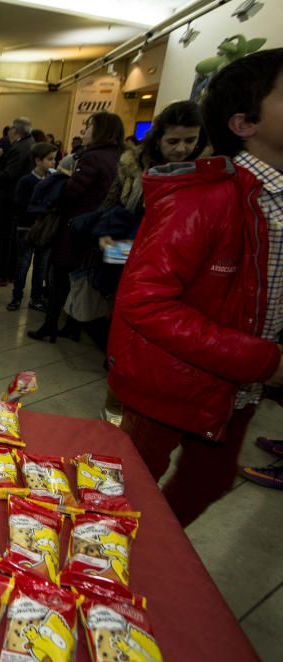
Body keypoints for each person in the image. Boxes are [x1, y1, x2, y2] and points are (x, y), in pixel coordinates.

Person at [108, 49, 283, 524]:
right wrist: (262, 360)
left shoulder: (271, 203)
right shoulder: (203, 200)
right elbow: (145, 301)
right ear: (245, 123)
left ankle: (153, 556)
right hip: (173, 379)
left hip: (235, 387)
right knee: (126, 489)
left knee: (209, 481)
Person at [95, 101, 206, 425]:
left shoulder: (208, 174)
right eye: (173, 141)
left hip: (179, 268)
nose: (182, 149)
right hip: (133, 263)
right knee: (126, 338)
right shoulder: (134, 166)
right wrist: (104, 233)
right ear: (158, 139)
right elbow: (112, 203)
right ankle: (117, 407)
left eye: (190, 141)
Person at [28, 112, 124, 343]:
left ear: (100, 130)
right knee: (80, 277)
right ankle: (72, 326)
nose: (85, 131)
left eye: (89, 126)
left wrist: (63, 180)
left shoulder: (92, 157)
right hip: (98, 229)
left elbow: (72, 193)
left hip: (75, 228)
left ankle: (50, 325)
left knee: (59, 277)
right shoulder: (118, 156)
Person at [7, 142, 58, 312]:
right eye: (49, 159)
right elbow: (20, 205)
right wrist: (45, 208)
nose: (53, 163)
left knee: (41, 265)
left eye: (54, 159)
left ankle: (36, 297)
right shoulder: (26, 181)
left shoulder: (53, 179)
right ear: (38, 160)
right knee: (22, 264)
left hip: (46, 230)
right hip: (26, 228)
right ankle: (16, 297)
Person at [0, 117, 35, 286]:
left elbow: (8, 175)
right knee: (12, 240)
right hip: (21, 199)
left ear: (15, 130)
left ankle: (1, 274)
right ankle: (9, 272)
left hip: (10, 199)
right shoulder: (30, 143)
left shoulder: (18, 147)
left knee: (5, 239)